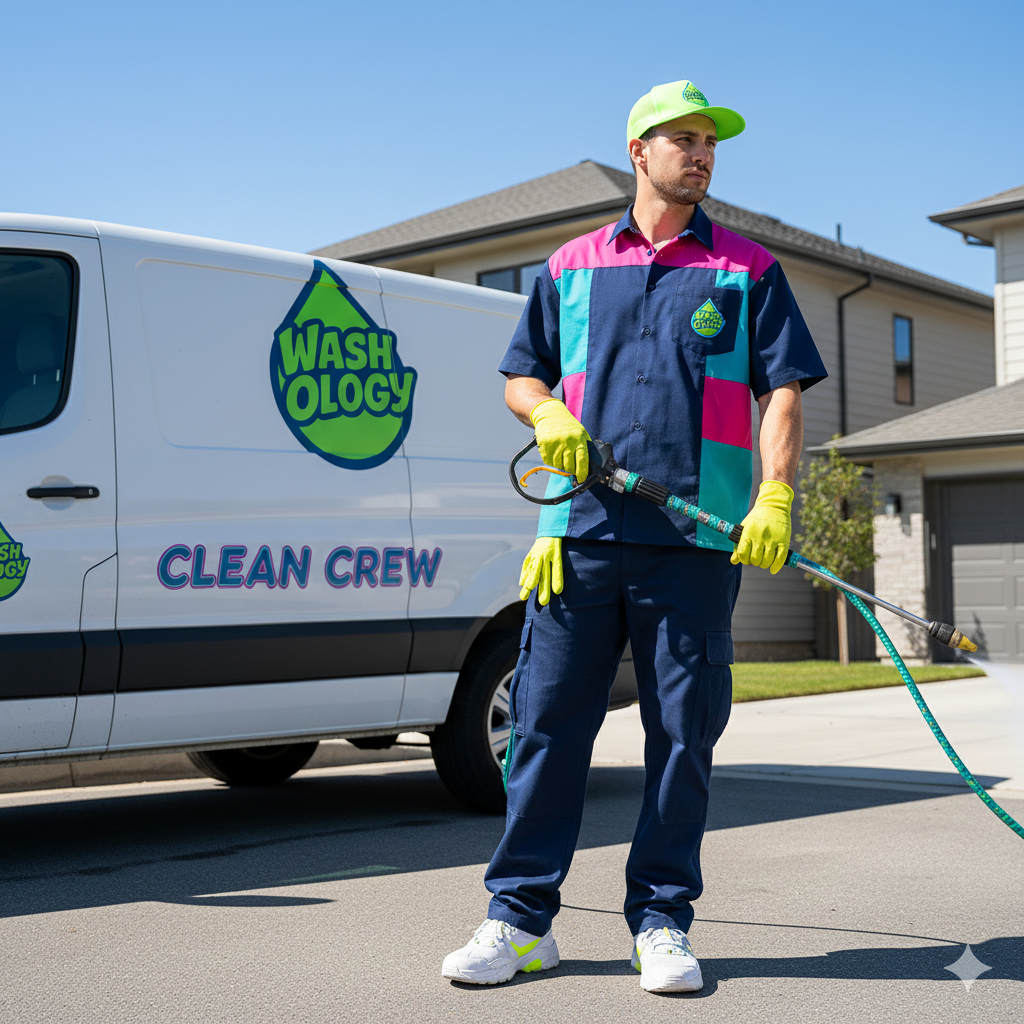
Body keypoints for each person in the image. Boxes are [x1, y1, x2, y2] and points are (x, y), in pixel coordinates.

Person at [442, 79, 827, 994]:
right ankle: (520, 919)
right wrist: (544, 417)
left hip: (697, 544)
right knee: (543, 728)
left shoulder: (746, 271)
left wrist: (774, 497)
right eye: (681, 140)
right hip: (577, 537)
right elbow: (521, 378)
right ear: (638, 154)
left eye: (709, 143)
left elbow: (784, 391)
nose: (699, 155)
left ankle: (661, 921)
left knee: (683, 735)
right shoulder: (571, 266)